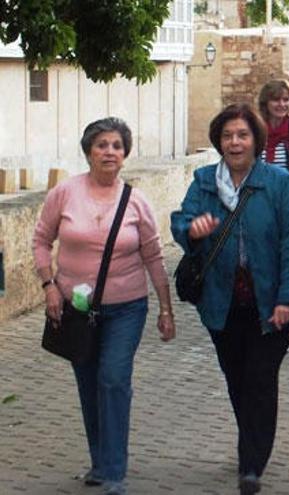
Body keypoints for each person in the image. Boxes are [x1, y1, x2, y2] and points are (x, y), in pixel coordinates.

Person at [32, 117, 176, 495]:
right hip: (76, 310)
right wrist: (48, 285)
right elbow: (41, 241)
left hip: (127, 307)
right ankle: (99, 462)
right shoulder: (64, 194)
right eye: (101, 145)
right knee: (89, 384)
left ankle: (113, 472)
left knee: (113, 380)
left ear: (125, 154)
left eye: (116, 145)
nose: (109, 151)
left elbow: (155, 256)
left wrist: (165, 308)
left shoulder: (136, 200)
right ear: (88, 151)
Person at [170, 104, 289, 495]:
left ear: (256, 141)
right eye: (228, 135)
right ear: (218, 141)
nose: (234, 142)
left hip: (270, 302)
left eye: (242, 135)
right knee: (236, 379)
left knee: (260, 378)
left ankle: (251, 464)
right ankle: (252, 441)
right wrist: (191, 228)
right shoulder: (205, 181)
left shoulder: (277, 182)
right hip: (222, 301)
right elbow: (181, 219)